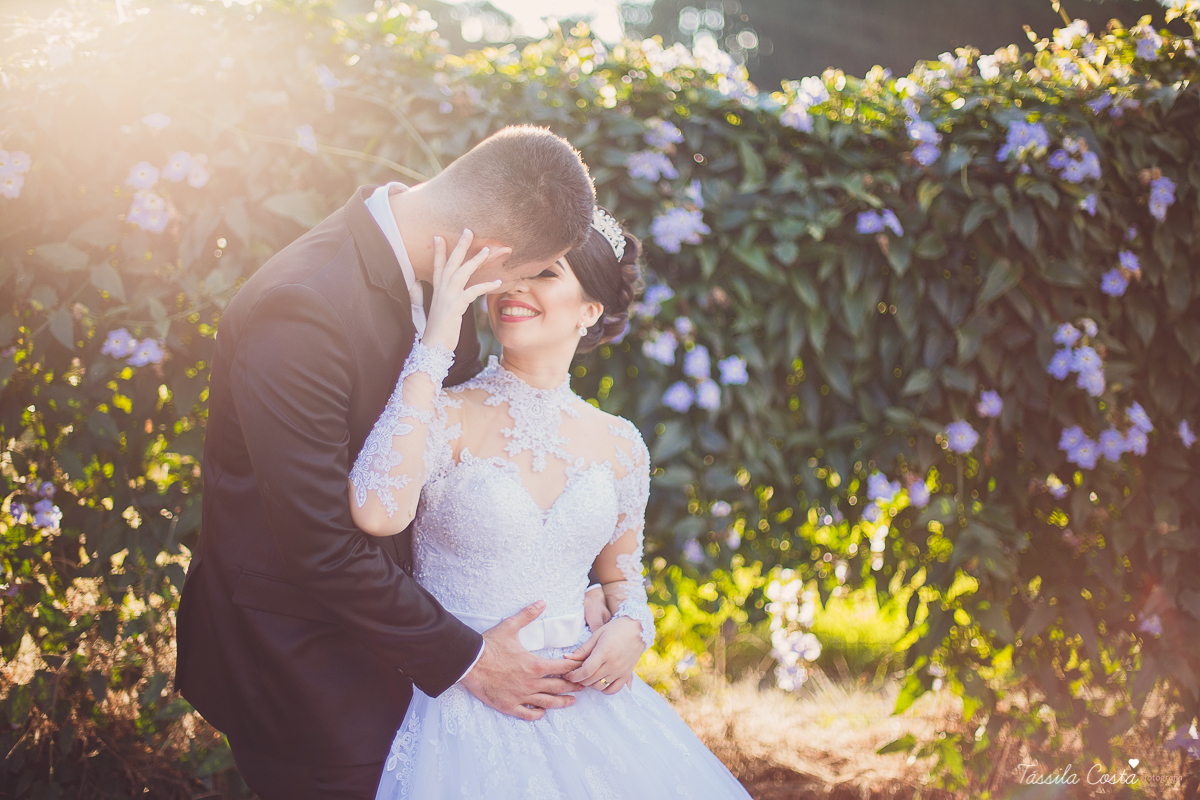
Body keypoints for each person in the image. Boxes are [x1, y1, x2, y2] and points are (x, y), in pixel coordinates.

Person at [175, 125, 646, 799]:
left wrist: (583, 590)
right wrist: (469, 659)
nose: (509, 296)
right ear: (492, 252)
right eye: (521, 273)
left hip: (408, 652)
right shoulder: (300, 307)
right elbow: (319, 541)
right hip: (307, 662)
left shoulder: (439, 272)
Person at [350, 209, 754, 798]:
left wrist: (631, 629)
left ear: (590, 310)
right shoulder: (442, 414)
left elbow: (622, 580)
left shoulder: (621, 446)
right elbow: (375, 511)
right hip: (462, 705)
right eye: (511, 268)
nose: (516, 284)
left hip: (586, 709)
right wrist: (434, 345)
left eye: (544, 272)